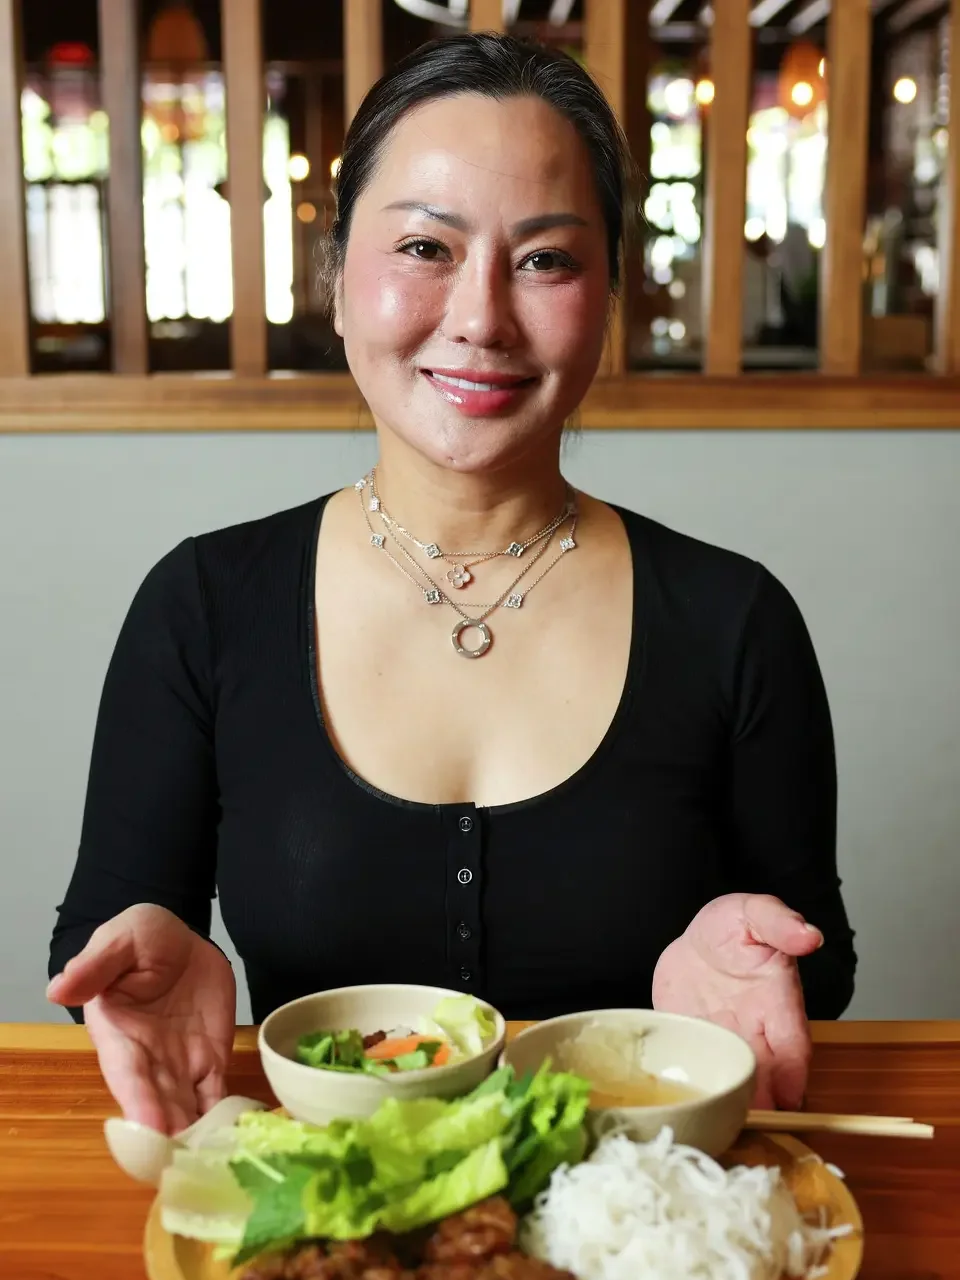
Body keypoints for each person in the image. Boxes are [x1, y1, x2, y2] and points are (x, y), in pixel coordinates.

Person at [46, 33, 856, 1133]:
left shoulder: (733, 619)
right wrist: (145, 948)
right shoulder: (204, 605)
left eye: (546, 260)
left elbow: (817, 957)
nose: (480, 317)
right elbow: (106, 938)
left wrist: (745, 970)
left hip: (638, 1217)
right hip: (335, 1228)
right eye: (426, 247)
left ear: (609, 297)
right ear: (336, 283)